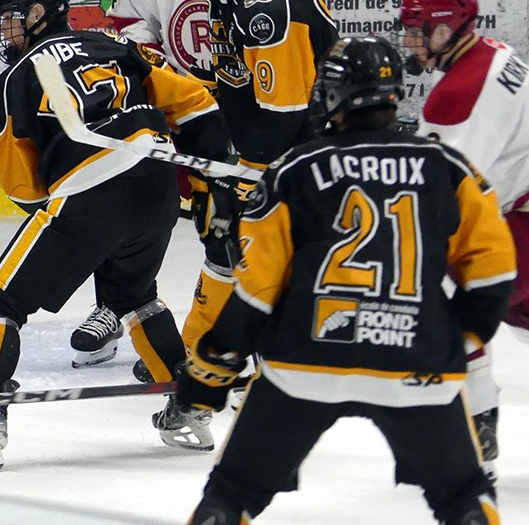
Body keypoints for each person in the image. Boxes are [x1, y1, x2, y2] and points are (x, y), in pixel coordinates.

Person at [177, 36, 510, 525]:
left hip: (304, 361)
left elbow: (257, 288)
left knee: (233, 492)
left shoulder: (293, 169)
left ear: (331, 94)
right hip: (414, 359)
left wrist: (213, 366)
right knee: (463, 496)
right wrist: (455, 337)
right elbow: (494, 269)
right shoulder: (448, 167)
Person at [0, 0, 233, 470]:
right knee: (132, 295)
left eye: (13, 18)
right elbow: (195, 101)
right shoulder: (115, 47)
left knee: (0, 299)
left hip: (90, 191)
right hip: (156, 184)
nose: (7, 29)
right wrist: (210, 177)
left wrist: (51, 180)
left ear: (38, 14)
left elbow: (23, 188)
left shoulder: (15, 79)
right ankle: (189, 406)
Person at [75, 0, 300, 371]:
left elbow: (279, 20)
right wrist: (152, 66)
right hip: (174, 105)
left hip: (240, 105)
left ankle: (235, 323)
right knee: (129, 202)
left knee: (236, 219)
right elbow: (126, 26)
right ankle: (115, 306)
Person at [169, 0, 338, 363]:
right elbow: (234, 75)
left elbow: (286, 110)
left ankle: (268, 358)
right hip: (270, 135)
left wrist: (240, 178)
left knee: (256, 250)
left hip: (307, 146)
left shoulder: (267, 9)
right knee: (227, 245)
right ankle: (203, 348)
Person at [399, 0, 529, 473]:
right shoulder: (491, 50)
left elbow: (448, 200)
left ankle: (479, 429)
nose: (411, 41)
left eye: (421, 30)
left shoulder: (456, 95)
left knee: (452, 317)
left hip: (519, 220)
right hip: (519, 206)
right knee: (517, 317)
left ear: (449, 29)